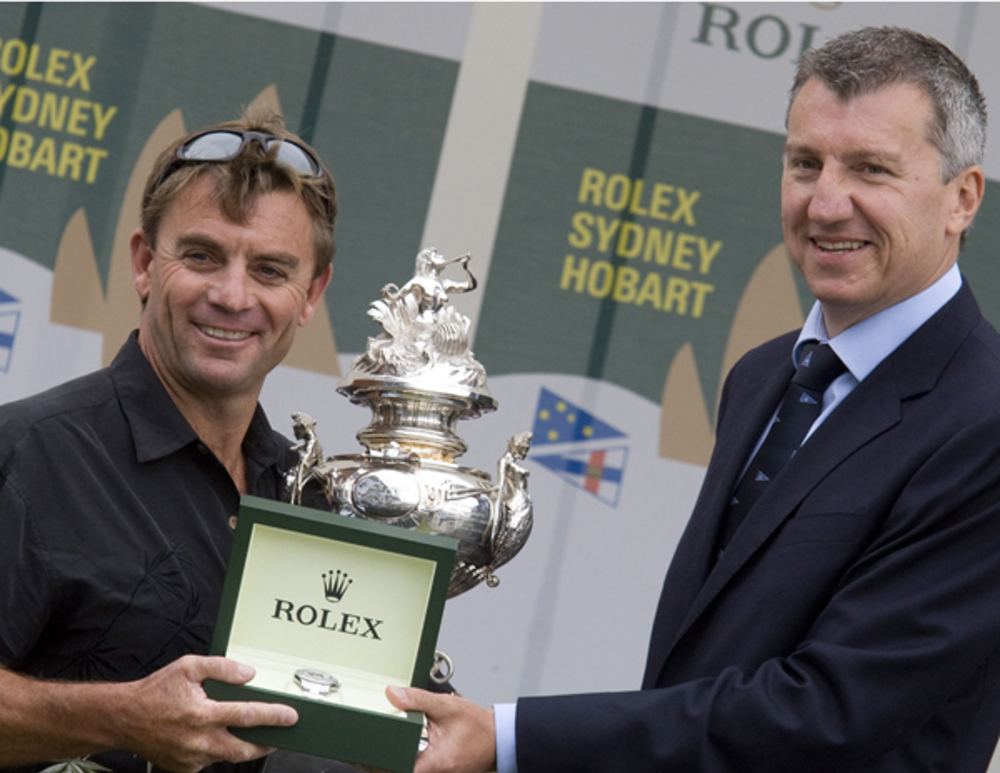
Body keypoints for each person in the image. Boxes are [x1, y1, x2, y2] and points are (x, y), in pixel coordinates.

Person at [386, 25, 1000, 773]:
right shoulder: (764, 375)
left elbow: (830, 709)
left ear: (961, 198)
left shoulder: (984, 423)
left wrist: (509, 739)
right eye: (805, 163)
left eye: (871, 170)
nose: (827, 203)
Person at [0, 107, 336, 772]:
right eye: (203, 256)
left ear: (311, 294)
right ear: (145, 264)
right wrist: (122, 715)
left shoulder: (315, 499)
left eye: (270, 269)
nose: (233, 295)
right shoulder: (29, 455)